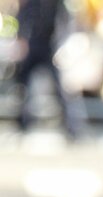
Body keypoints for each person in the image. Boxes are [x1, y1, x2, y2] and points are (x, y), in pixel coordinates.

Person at [14, 0, 82, 139]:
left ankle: (73, 128)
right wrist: (22, 39)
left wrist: (61, 46)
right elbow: (23, 17)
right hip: (33, 46)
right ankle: (23, 124)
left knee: (61, 90)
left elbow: (66, 24)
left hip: (51, 48)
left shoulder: (58, 4)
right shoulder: (32, 3)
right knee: (23, 86)